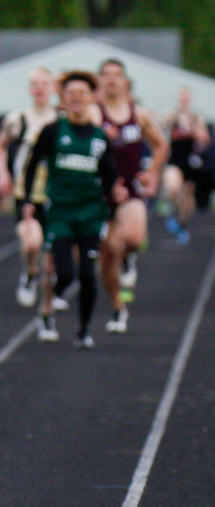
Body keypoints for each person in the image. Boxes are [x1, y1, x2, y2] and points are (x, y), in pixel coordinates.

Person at [22, 70, 127, 349]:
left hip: (91, 213)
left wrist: (115, 199)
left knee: (88, 274)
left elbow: (108, 174)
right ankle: (50, 305)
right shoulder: (53, 131)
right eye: (71, 93)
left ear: (93, 97)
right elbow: (32, 164)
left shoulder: (99, 137)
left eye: (82, 93)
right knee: (64, 272)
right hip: (60, 212)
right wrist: (29, 201)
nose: (77, 98)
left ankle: (83, 330)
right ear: (63, 98)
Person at [96, 59, 169, 333]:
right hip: (100, 192)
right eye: (107, 75)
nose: (112, 80)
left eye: (117, 75)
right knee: (107, 255)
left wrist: (151, 171)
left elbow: (161, 144)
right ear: (100, 80)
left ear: (125, 82)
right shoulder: (93, 114)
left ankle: (129, 257)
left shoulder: (139, 115)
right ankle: (117, 307)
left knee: (135, 239)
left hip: (130, 188)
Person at [0, 67, 65, 329]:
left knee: (54, 264)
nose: (39, 89)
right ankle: (30, 272)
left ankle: (46, 314)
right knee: (32, 242)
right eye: (34, 84)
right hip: (27, 195)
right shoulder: (18, 119)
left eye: (44, 83)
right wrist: (2, 173)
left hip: (56, 196)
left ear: (54, 88)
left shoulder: (63, 120)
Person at [161, 87, 211, 243]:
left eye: (186, 96)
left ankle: (181, 224)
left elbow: (205, 139)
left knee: (188, 197)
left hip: (191, 159)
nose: (184, 98)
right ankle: (171, 211)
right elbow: (161, 128)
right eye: (181, 95)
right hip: (175, 158)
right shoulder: (172, 114)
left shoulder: (196, 116)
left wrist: (192, 129)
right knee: (173, 188)